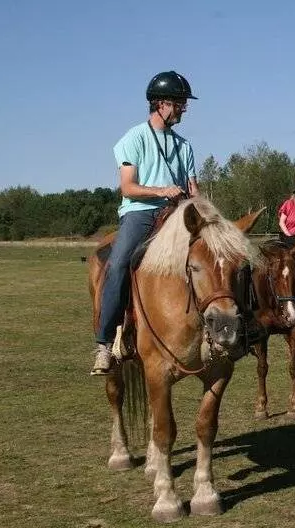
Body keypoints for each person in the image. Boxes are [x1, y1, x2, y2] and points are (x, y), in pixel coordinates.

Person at [91, 70, 199, 375]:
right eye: (179, 102)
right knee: (119, 263)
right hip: (140, 212)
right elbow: (128, 186)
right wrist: (162, 190)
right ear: (160, 103)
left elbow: (193, 189)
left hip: (177, 213)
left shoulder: (185, 147)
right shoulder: (133, 138)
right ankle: (104, 343)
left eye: (183, 103)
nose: (183, 108)